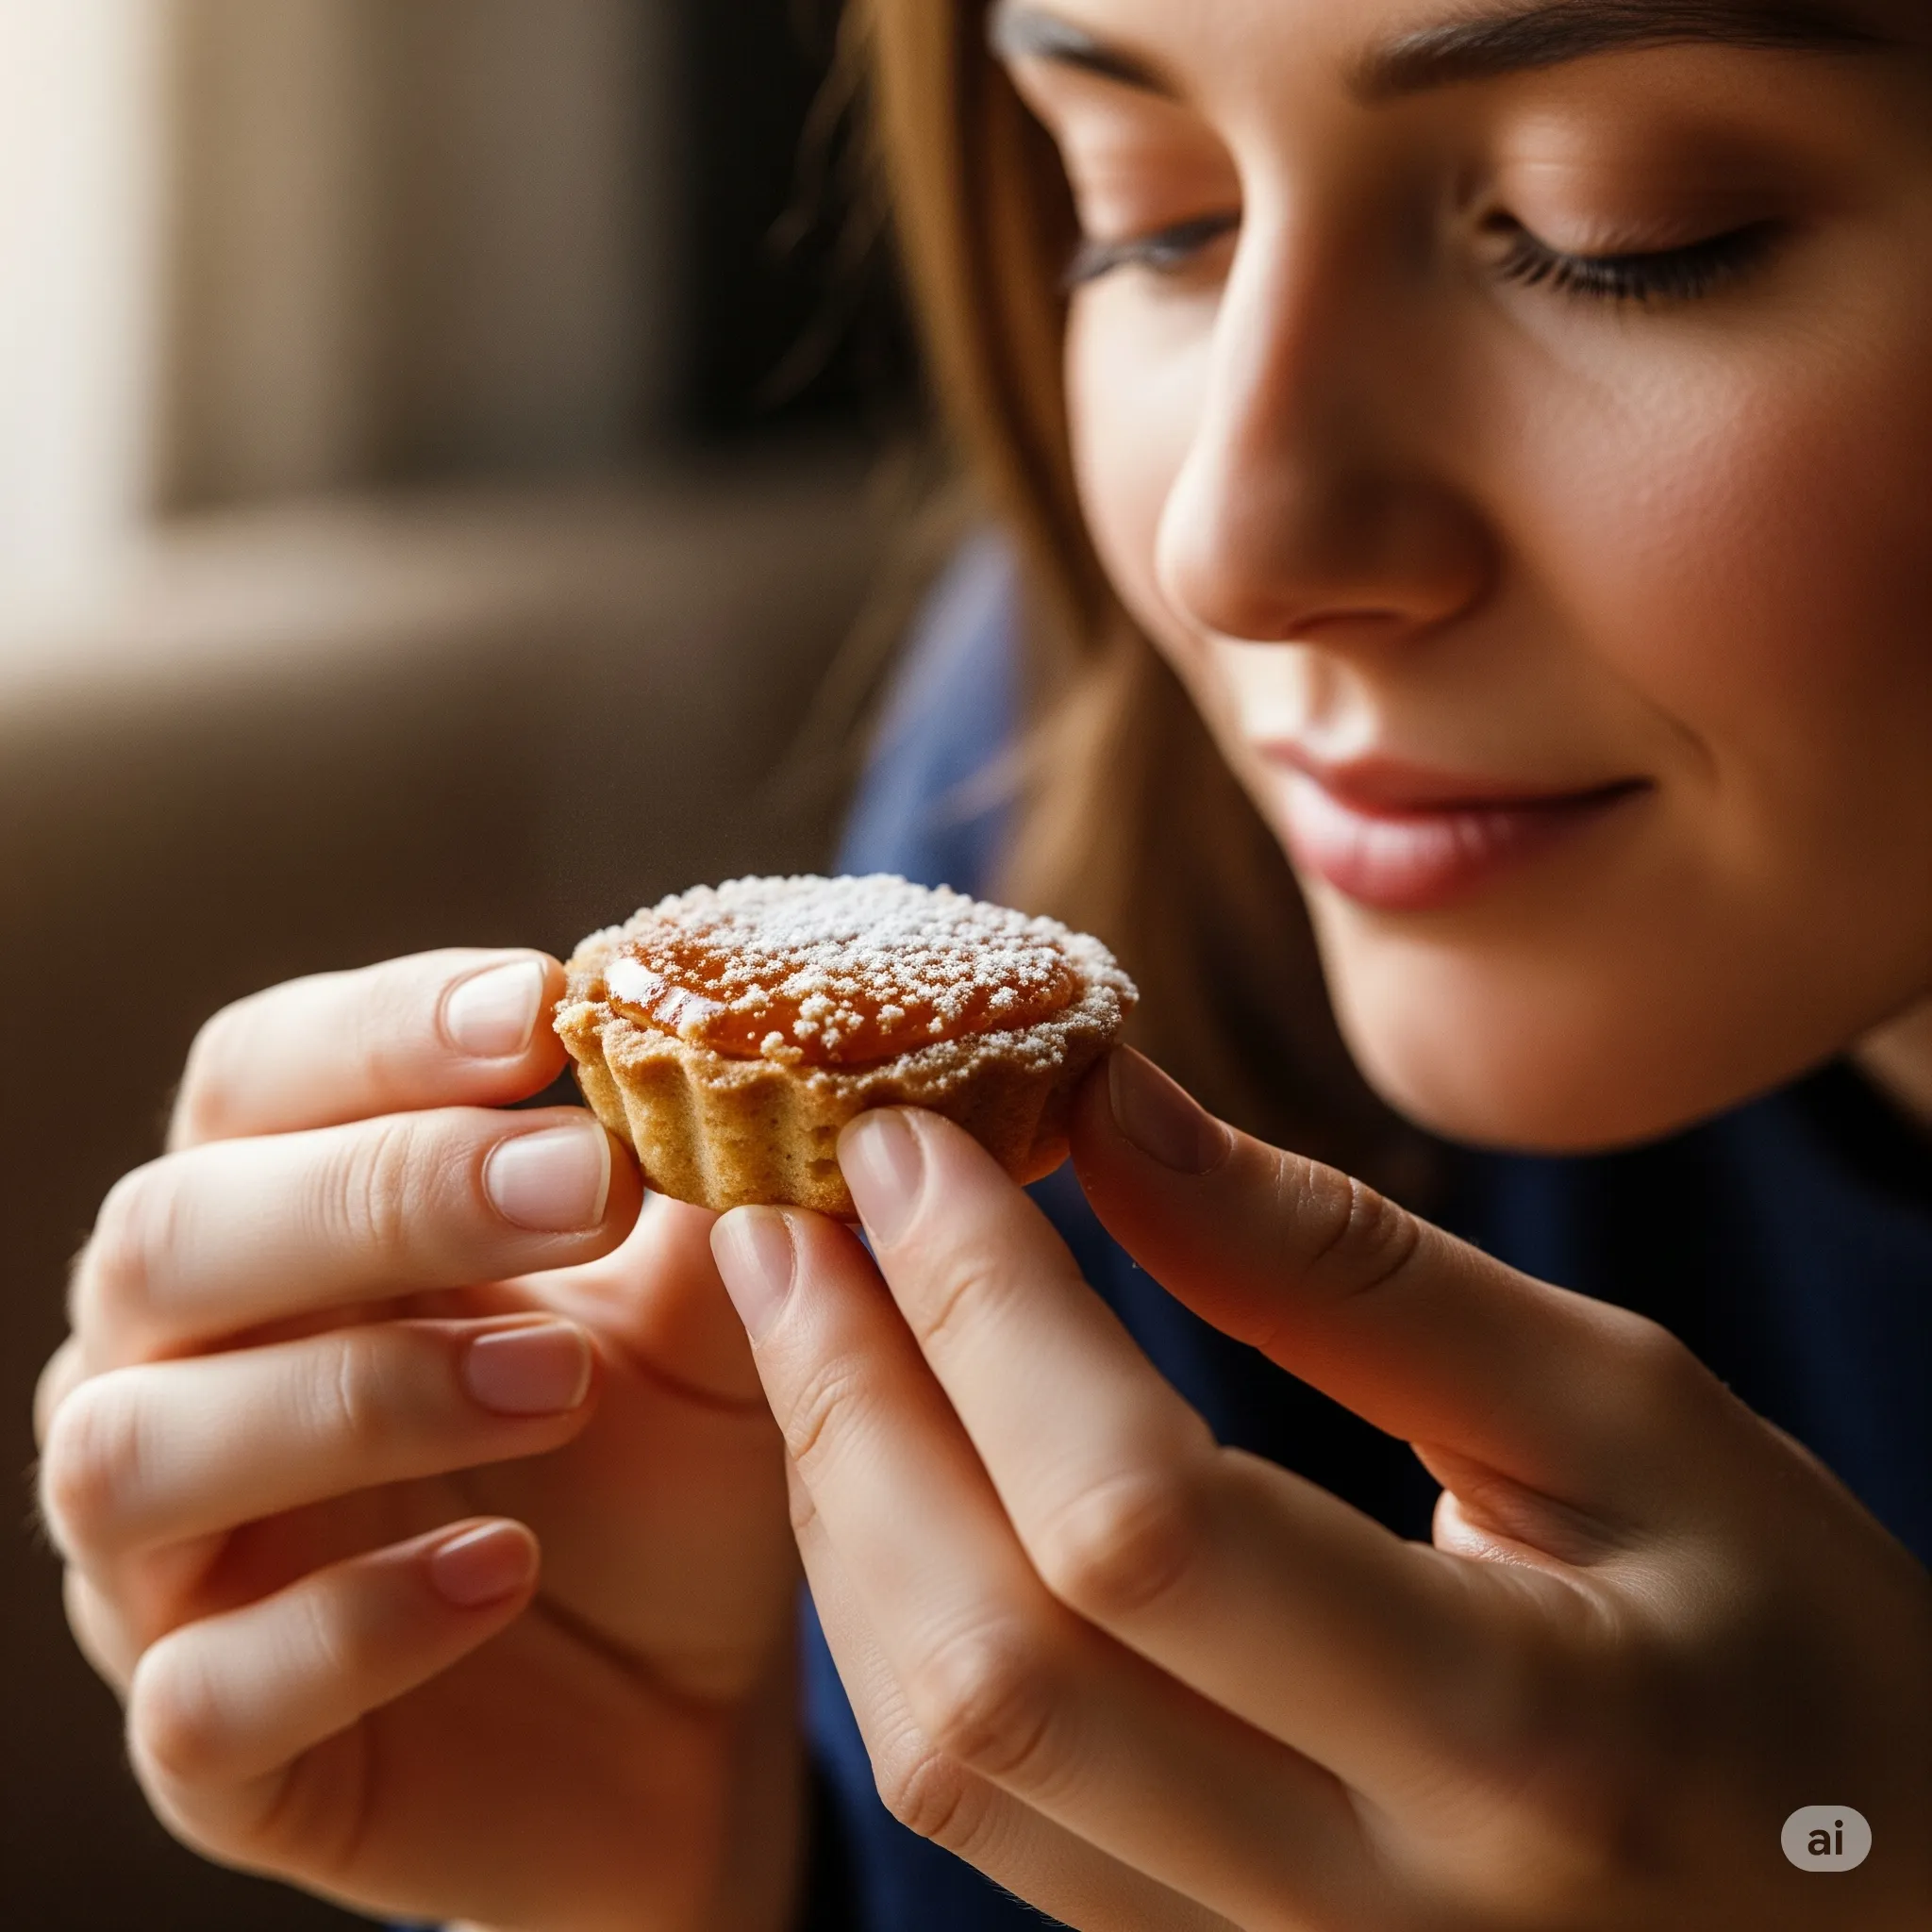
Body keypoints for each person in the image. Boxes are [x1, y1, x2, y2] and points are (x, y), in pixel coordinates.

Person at [32, 0, 1932, 1925]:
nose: (1225, 545)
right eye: (1149, 215)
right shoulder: (1080, 795)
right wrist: (712, 1882)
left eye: (1618, 232)